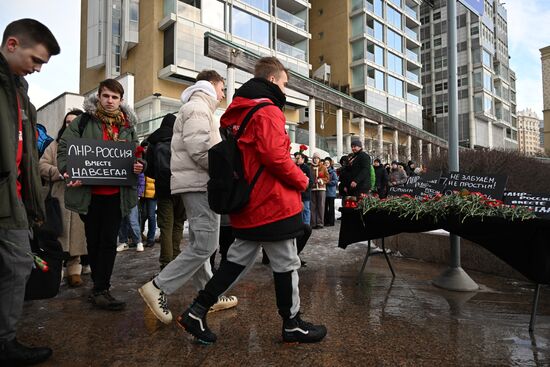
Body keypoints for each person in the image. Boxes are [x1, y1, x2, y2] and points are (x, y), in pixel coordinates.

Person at [178, 57, 327, 344]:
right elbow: (275, 156)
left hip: (247, 202)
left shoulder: (238, 112)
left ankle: (197, 310)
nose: (285, 90)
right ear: (272, 81)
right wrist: (302, 180)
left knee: (235, 261)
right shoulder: (267, 111)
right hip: (272, 202)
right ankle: (292, 323)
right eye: (284, 84)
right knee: (286, 262)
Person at [139, 70, 238, 324]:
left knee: (200, 242)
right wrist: (223, 173)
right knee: (205, 244)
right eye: (222, 88)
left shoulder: (198, 107)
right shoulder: (198, 107)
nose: (223, 93)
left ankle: (210, 294)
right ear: (213, 84)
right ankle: (158, 286)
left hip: (196, 182)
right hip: (200, 183)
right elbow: (200, 148)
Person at [0, 18, 59, 365]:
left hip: (15, 199)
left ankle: (5, 341)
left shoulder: (22, 95)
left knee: (17, 267)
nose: (37, 69)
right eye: (35, 60)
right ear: (12, 45)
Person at [57, 78, 144, 311]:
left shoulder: (127, 126)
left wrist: (139, 165)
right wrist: (67, 169)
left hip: (117, 194)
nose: (110, 101)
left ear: (121, 100)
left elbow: (137, 154)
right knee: (93, 241)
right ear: (99, 96)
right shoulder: (84, 122)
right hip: (90, 195)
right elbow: (64, 148)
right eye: (106, 96)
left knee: (108, 241)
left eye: (115, 97)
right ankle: (99, 286)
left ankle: (101, 288)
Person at [39, 109, 88, 287]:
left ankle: (74, 270)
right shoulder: (54, 145)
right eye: (68, 122)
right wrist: (58, 172)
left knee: (77, 237)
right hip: (58, 197)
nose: (71, 125)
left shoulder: (88, 145)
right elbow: (41, 165)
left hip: (80, 198)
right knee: (58, 235)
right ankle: (56, 270)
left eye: (75, 121)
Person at [145, 113, 186, 270]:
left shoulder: (154, 141)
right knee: (178, 224)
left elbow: (149, 171)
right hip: (181, 188)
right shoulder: (181, 139)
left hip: (163, 190)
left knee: (166, 227)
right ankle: (176, 258)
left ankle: (166, 263)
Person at [310, 152, 329, 229]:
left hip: (321, 188)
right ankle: (313, 223)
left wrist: (321, 180)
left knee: (321, 206)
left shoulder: (323, 167)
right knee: (313, 206)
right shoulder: (310, 167)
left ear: (319, 159)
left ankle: (320, 223)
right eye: (314, 158)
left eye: (317, 158)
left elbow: (327, 178)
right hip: (313, 188)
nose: (316, 160)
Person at [323, 157, 338, 226]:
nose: (326, 164)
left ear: (330, 164)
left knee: (331, 207)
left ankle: (331, 222)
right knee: (325, 207)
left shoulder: (332, 172)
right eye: (325, 163)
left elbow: (335, 181)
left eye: (327, 163)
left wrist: (327, 182)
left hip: (331, 192)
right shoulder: (323, 171)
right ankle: (325, 221)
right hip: (324, 192)